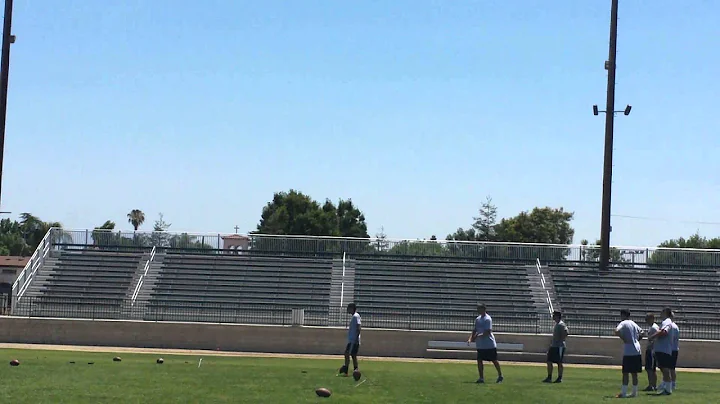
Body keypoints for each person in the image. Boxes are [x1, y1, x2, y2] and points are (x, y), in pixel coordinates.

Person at [467, 303, 504, 383]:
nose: (478, 310)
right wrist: (470, 338)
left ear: (483, 309)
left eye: (479, 309)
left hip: (489, 344)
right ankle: (481, 378)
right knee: (479, 360)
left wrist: (477, 337)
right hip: (481, 345)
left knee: (494, 360)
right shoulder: (478, 319)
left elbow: (487, 332)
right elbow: (475, 330)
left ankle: (500, 375)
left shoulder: (488, 319)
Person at [614, 309, 643, 398]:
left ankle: (624, 392)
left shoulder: (623, 323)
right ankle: (634, 393)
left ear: (623, 315)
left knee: (625, 372)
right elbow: (642, 332)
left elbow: (616, 330)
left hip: (629, 350)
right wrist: (637, 340)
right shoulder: (633, 323)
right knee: (634, 373)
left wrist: (623, 338)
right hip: (637, 349)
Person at [649, 307, 674, 395]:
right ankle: (667, 389)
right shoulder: (667, 322)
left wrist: (652, 336)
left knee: (665, 369)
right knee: (664, 369)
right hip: (663, 349)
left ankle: (668, 389)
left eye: (662, 312)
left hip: (664, 349)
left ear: (665, 312)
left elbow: (664, 332)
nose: (660, 314)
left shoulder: (666, 321)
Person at [543, 310, 568, 383]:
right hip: (554, 346)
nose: (553, 317)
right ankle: (549, 377)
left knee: (559, 362)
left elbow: (566, 332)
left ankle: (560, 377)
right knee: (549, 361)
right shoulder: (557, 324)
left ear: (557, 316)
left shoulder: (561, 324)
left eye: (554, 315)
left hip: (559, 346)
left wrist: (560, 340)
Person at [338, 303, 361, 377]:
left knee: (347, 354)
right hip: (352, 340)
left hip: (353, 340)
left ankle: (347, 369)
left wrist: (356, 338)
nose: (347, 309)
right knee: (352, 355)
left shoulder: (355, 316)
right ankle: (355, 370)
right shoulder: (355, 316)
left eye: (348, 308)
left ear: (352, 308)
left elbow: (358, 327)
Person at [642, 313, 659, 391]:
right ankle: (652, 385)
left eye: (647, 319)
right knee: (650, 368)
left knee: (651, 369)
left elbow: (654, 339)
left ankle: (652, 385)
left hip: (651, 350)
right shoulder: (652, 327)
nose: (646, 321)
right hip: (651, 349)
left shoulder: (654, 328)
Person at [670, 314, 680, 391]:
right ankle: (672, 383)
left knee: (670, 368)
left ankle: (672, 383)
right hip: (674, 349)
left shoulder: (672, 327)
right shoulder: (675, 326)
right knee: (671, 368)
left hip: (671, 349)